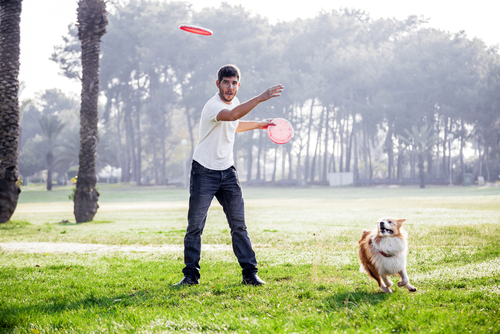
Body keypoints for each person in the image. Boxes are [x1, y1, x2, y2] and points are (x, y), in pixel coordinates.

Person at [174, 64, 284, 286]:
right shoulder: (212, 106)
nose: (230, 86)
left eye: (234, 82)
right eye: (226, 82)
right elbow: (232, 115)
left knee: (239, 225)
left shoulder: (234, 104)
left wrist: (260, 124)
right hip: (204, 171)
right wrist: (261, 97)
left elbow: (234, 123)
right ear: (218, 84)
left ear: (238, 85)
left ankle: (250, 274)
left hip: (228, 173)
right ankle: (190, 276)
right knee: (195, 226)